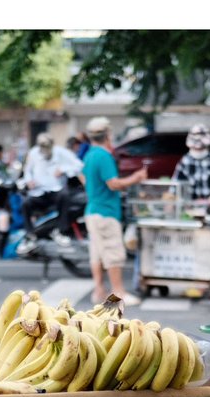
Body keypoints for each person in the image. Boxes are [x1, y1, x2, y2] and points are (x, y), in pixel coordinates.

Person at [81, 116, 146, 305]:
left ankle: (99, 291)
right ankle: (119, 293)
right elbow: (113, 184)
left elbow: (84, 178)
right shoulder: (103, 156)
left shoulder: (90, 155)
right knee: (113, 253)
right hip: (105, 212)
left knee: (97, 253)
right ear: (108, 135)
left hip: (92, 210)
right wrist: (136, 177)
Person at [18, 132, 84, 251]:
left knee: (64, 196)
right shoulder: (33, 153)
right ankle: (30, 235)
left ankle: (60, 231)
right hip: (39, 191)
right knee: (25, 203)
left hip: (56, 190)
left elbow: (79, 165)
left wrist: (63, 169)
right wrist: (29, 181)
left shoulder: (61, 152)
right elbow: (27, 171)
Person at [172, 125, 210, 209]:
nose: (198, 150)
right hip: (191, 209)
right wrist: (173, 199)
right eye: (195, 148)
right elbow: (175, 185)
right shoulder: (185, 161)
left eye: (201, 148)